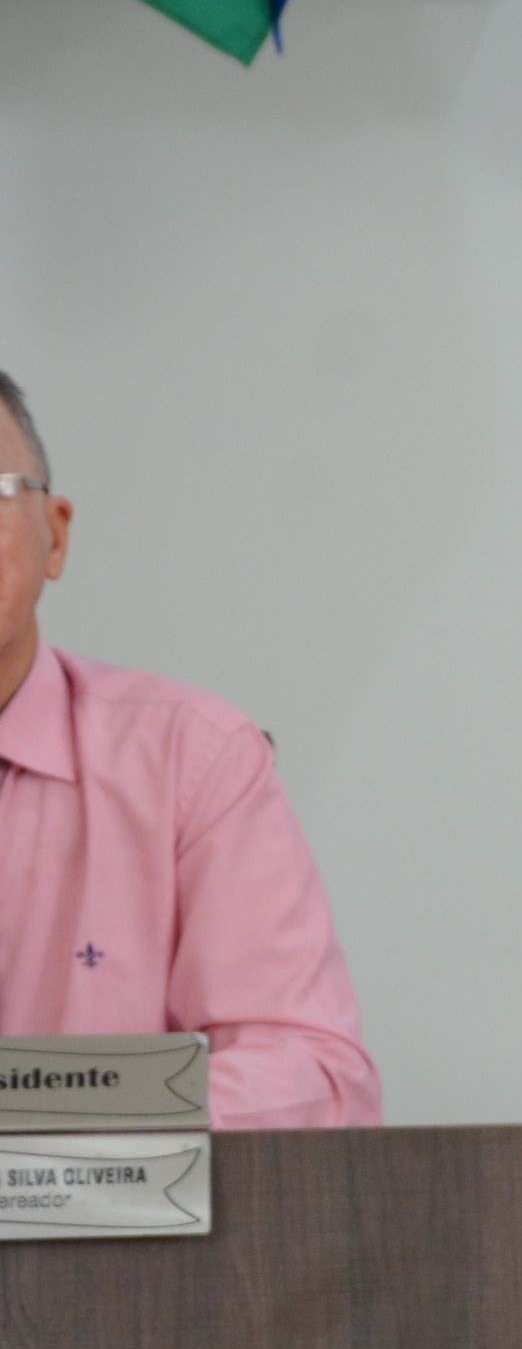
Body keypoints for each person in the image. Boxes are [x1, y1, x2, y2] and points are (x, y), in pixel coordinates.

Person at [0, 365, 382, 1126]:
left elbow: (316, 1079)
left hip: (96, 1208)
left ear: (55, 535)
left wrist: (46, 1113)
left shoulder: (187, 759)